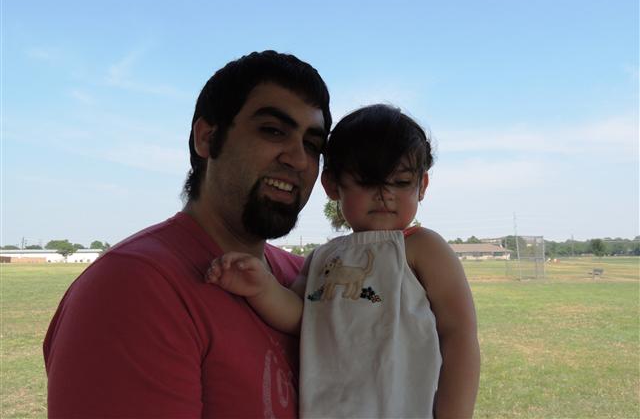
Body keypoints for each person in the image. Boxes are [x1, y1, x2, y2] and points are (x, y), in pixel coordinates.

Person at [43, 50, 332, 418]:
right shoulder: (134, 289)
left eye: (312, 145)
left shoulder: (308, 279)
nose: (299, 159)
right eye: (273, 130)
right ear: (207, 138)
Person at [206, 104, 481, 419]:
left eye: (401, 182)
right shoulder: (324, 257)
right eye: (366, 181)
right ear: (332, 185)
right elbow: (301, 316)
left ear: (423, 186)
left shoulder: (423, 247)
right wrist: (261, 287)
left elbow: (459, 333)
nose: (385, 194)